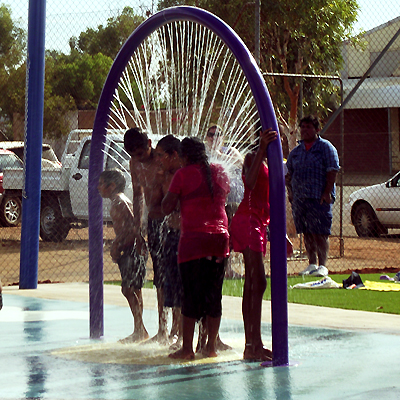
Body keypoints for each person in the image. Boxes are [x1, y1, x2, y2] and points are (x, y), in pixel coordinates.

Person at [162, 137, 230, 360]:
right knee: (214, 294)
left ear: (185, 156)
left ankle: (188, 349)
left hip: (193, 240)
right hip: (220, 240)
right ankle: (210, 347)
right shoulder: (219, 171)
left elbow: (166, 207)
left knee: (190, 294)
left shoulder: (182, 174)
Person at [229, 127, 277, 362]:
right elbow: (250, 181)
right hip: (248, 220)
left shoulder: (271, 159)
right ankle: (251, 345)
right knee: (257, 281)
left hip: (257, 222)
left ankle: (255, 343)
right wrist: (261, 148)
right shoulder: (252, 157)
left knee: (253, 282)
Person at [124, 127, 168, 344]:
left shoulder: (161, 161)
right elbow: (137, 194)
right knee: (159, 275)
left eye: (141, 153)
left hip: (168, 220)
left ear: (149, 143)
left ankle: (167, 329)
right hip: (152, 221)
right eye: (134, 155)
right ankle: (160, 329)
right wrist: (137, 228)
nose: (138, 159)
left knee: (168, 275)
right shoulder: (134, 163)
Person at [97, 169, 148, 342]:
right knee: (135, 290)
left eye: (101, 184)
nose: (98, 187)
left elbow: (131, 226)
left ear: (111, 186)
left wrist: (116, 245)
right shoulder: (119, 201)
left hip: (131, 249)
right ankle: (139, 329)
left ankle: (140, 329)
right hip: (133, 247)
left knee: (128, 289)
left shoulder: (119, 202)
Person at [286, 115, 340, 277]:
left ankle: (323, 266)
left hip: (319, 198)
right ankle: (311, 263)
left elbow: (332, 170)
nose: (304, 130)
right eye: (302, 127)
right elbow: (288, 175)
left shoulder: (326, 148)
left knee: (320, 232)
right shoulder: (296, 152)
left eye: (308, 127)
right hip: (300, 199)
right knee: (307, 232)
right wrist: (291, 193)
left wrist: (326, 192)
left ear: (317, 130)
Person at [154, 134, 183, 348]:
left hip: (187, 235)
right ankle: (172, 331)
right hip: (172, 233)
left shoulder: (184, 174)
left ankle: (183, 334)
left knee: (184, 286)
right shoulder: (164, 175)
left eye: (161, 155)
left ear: (174, 155)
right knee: (171, 284)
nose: (159, 160)